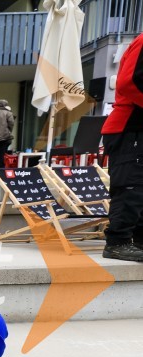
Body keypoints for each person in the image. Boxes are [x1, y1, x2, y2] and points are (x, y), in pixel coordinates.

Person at [101, 32, 143, 262]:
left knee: (138, 187)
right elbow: (128, 83)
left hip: (133, 127)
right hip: (129, 127)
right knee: (131, 186)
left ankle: (136, 239)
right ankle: (118, 241)